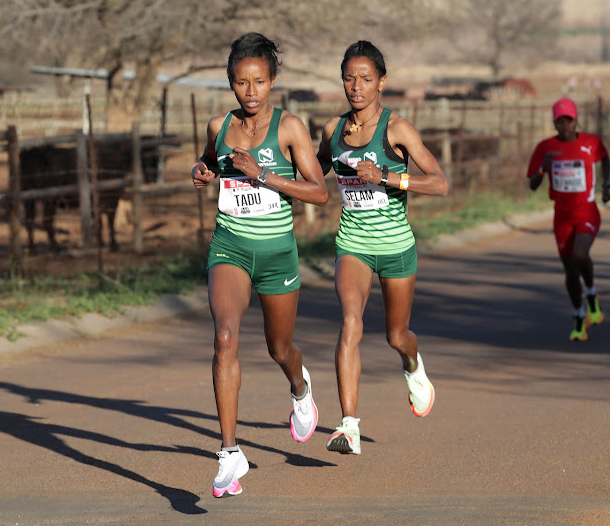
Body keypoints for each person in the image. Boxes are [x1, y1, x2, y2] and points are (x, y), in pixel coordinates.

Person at [191, 32, 328, 497]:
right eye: (241, 83)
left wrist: (263, 175)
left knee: (279, 348)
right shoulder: (219, 126)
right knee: (225, 337)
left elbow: (319, 191)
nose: (251, 92)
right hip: (230, 245)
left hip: (277, 255)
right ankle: (230, 453)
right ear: (231, 82)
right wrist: (202, 171)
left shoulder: (289, 128)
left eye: (259, 82)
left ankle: (299, 387)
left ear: (272, 81)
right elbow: (208, 163)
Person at [316, 41, 449, 455]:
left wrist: (390, 179)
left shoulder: (398, 129)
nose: (356, 87)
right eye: (349, 78)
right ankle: (349, 426)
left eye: (366, 79)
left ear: (382, 82)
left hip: (396, 247)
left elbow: (440, 182)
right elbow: (311, 169)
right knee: (350, 323)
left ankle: (413, 365)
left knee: (396, 336)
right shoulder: (332, 130)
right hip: (352, 242)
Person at [527, 98, 610, 341]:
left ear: (576, 121)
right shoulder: (545, 148)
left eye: (569, 121)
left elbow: (604, 158)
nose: (565, 126)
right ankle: (579, 315)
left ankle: (592, 295)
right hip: (561, 216)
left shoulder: (591, 142)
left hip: (586, 211)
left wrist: (606, 184)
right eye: (560, 122)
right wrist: (542, 169)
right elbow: (533, 185)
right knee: (570, 271)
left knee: (580, 255)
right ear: (554, 123)